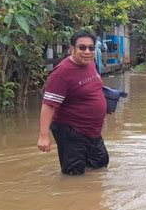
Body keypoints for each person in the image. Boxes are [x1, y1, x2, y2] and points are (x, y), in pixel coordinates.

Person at [37, 30, 109, 175]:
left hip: (92, 130)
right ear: (72, 49)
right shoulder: (61, 73)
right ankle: (70, 196)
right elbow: (48, 104)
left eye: (91, 48)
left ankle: (91, 195)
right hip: (72, 131)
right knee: (73, 174)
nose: (87, 51)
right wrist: (44, 136)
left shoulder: (90, 64)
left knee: (100, 163)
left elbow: (94, 86)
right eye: (82, 47)